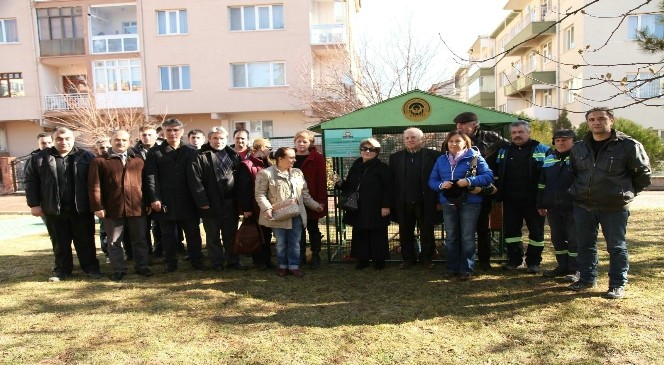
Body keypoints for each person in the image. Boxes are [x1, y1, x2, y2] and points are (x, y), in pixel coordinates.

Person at [568, 107, 651, 299]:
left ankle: (617, 284)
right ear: (587, 123)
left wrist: (625, 194)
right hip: (583, 205)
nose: (596, 122)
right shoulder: (579, 147)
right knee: (585, 244)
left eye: (601, 119)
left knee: (616, 247)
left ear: (611, 120)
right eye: (592, 119)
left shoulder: (628, 145)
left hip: (613, 207)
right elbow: (574, 173)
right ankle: (587, 278)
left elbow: (643, 175)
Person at [24, 127, 101, 281]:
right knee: (60, 242)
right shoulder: (40, 158)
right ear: (53, 140)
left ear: (73, 139)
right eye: (59, 139)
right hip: (54, 209)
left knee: (85, 240)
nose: (63, 142)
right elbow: (31, 182)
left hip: (81, 208)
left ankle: (91, 268)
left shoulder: (86, 156)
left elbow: (96, 182)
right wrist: (34, 204)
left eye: (67, 138)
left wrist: (98, 205)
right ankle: (62, 270)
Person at [88, 130, 152, 281]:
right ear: (111, 141)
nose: (120, 143)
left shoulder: (138, 159)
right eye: (117, 140)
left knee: (140, 239)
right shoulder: (100, 161)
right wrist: (97, 206)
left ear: (129, 141)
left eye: (124, 140)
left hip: (136, 207)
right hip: (112, 208)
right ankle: (119, 269)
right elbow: (94, 186)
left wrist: (148, 201)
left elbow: (146, 183)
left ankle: (142, 266)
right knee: (114, 242)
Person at [429, 130, 493, 279]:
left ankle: (467, 269)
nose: (453, 144)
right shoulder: (441, 160)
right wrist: (440, 185)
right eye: (451, 141)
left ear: (466, 143)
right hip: (448, 203)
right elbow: (432, 181)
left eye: (457, 141)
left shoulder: (475, 157)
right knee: (451, 237)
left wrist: (469, 181)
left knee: (467, 237)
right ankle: (452, 268)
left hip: (470, 203)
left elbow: (488, 176)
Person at [144, 118, 204, 272]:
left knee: (193, 232)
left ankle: (196, 261)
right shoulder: (154, 152)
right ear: (163, 133)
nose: (172, 133)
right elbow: (151, 177)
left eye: (176, 130)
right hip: (165, 200)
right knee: (168, 235)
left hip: (188, 200)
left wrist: (200, 199)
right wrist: (154, 198)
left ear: (182, 132)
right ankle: (170, 263)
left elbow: (197, 177)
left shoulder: (191, 152)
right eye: (169, 130)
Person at [255, 147, 323, 277]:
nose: (295, 160)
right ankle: (283, 267)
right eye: (291, 157)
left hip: (296, 214)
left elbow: (304, 194)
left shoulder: (298, 173)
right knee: (281, 243)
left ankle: (294, 266)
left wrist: (315, 206)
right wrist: (267, 208)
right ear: (280, 159)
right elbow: (260, 194)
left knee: (295, 242)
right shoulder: (266, 174)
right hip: (278, 215)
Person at [495, 120, 552, 273]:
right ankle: (514, 260)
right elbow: (497, 172)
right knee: (511, 232)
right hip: (510, 200)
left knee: (536, 232)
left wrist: (544, 201)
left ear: (529, 132)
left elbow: (549, 178)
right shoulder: (503, 150)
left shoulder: (543, 149)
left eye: (520, 132)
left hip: (534, 201)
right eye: (514, 133)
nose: (517, 135)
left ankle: (533, 262)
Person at [454, 112, 509, 270]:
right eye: (458, 125)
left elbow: (510, 150)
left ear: (474, 125)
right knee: (462, 228)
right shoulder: (456, 139)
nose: (460, 128)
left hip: (483, 188)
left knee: (483, 227)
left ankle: (484, 260)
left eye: (463, 124)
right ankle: (462, 260)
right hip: (461, 189)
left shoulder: (491, 137)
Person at [188, 126, 247, 271]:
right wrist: (203, 202)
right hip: (210, 203)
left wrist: (241, 203)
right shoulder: (199, 155)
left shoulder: (233, 154)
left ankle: (233, 261)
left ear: (226, 139)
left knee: (231, 234)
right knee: (213, 236)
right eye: (215, 138)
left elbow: (240, 180)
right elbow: (195, 181)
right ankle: (217, 263)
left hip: (230, 202)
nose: (218, 141)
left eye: (221, 138)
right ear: (209, 139)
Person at [336, 138, 393, 270]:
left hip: (376, 207)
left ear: (377, 152)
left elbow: (389, 188)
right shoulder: (355, 166)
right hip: (358, 207)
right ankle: (363, 259)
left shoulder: (382, 167)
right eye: (364, 149)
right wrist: (339, 182)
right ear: (360, 150)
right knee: (360, 233)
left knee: (377, 233)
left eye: (371, 149)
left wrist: (386, 206)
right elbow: (349, 186)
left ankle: (379, 260)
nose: (367, 151)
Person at [389, 127, 441, 269]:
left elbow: (440, 179)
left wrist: (438, 201)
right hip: (404, 202)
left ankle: (427, 257)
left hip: (426, 201)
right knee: (405, 231)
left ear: (421, 139)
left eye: (413, 137)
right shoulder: (395, 158)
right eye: (407, 138)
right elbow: (392, 181)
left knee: (427, 231)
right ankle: (408, 258)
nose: (410, 140)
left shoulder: (434, 156)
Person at [536, 129, 578, 280]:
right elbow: (542, 183)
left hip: (574, 206)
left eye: (565, 140)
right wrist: (540, 203)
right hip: (553, 206)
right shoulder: (550, 158)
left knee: (574, 239)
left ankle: (575, 269)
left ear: (573, 141)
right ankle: (563, 266)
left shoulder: (578, 158)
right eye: (558, 140)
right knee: (557, 238)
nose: (560, 143)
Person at [237, 138, 276, 269]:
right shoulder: (247, 165)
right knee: (257, 233)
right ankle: (259, 261)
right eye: (268, 147)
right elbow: (243, 189)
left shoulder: (268, 164)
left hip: (267, 206)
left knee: (266, 233)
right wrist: (247, 209)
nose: (270, 150)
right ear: (260, 148)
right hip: (254, 206)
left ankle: (267, 260)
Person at [293, 130, 327, 268]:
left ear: (310, 143)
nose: (301, 144)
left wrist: (321, 201)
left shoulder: (317, 158)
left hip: (312, 198)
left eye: (304, 141)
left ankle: (315, 255)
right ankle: (300, 255)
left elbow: (321, 180)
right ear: (295, 142)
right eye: (299, 141)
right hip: (294, 200)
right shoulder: (290, 156)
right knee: (298, 229)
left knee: (313, 228)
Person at [132, 124, 161, 256]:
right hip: (140, 192)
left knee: (160, 225)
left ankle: (160, 249)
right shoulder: (133, 152)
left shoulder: (162, 150)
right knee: (144, 226)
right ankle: (147, 252)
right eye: (144, 135)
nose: (147, 137)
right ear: (140, 136)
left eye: (150, 135)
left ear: (155, 135)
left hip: (159, 190)